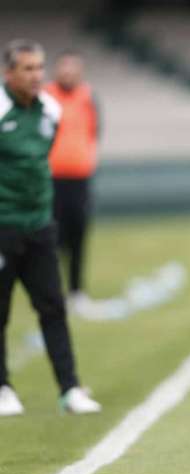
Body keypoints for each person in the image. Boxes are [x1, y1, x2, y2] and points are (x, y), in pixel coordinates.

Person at [0, 39, 101, 416]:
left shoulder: (51, 110)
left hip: (39, 223)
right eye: (26, 68)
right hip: (3, 225)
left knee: (53, 308)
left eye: (39, 68)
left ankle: (70, 388)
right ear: (8, 73)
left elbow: (39, 159)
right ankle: (3, 388)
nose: (35, 75)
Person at [44, 50, 100, 314]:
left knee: (78, 235)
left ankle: (77, 291)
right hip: (50, 179)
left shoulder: (88, 97)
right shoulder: (44, 97)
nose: (68, 73)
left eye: (73, 68)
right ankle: (51, 292)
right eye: (64, 68)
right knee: (52, 238)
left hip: (79, 179)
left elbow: (94, 132)